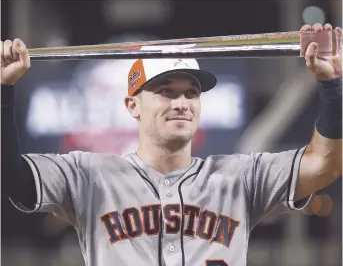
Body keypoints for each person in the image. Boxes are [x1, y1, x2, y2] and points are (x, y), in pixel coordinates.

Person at [1, 23, 342, 266]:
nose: (181, 102)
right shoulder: (89, 176)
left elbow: (324, 165)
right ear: (132, 106)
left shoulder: (241, 176)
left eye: (191, 93)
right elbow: (12, 178)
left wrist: (332, 86)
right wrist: (3, 91)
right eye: (166, 92)